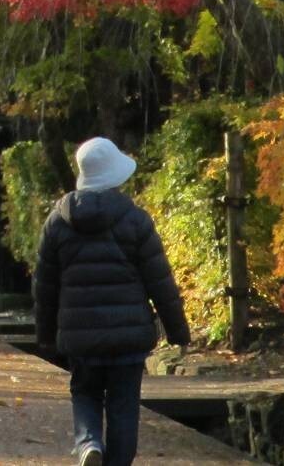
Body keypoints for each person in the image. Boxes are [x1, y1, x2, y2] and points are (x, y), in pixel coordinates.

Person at [33, 137, 190, 466]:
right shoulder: (135, 221)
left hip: (80, 336)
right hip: (128, 337)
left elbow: (45, 287)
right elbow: (159, 281)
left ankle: (89, 442)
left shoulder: (57, 224)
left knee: (85, 392)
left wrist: (45, 335)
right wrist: (178, 331)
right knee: (124, 404)